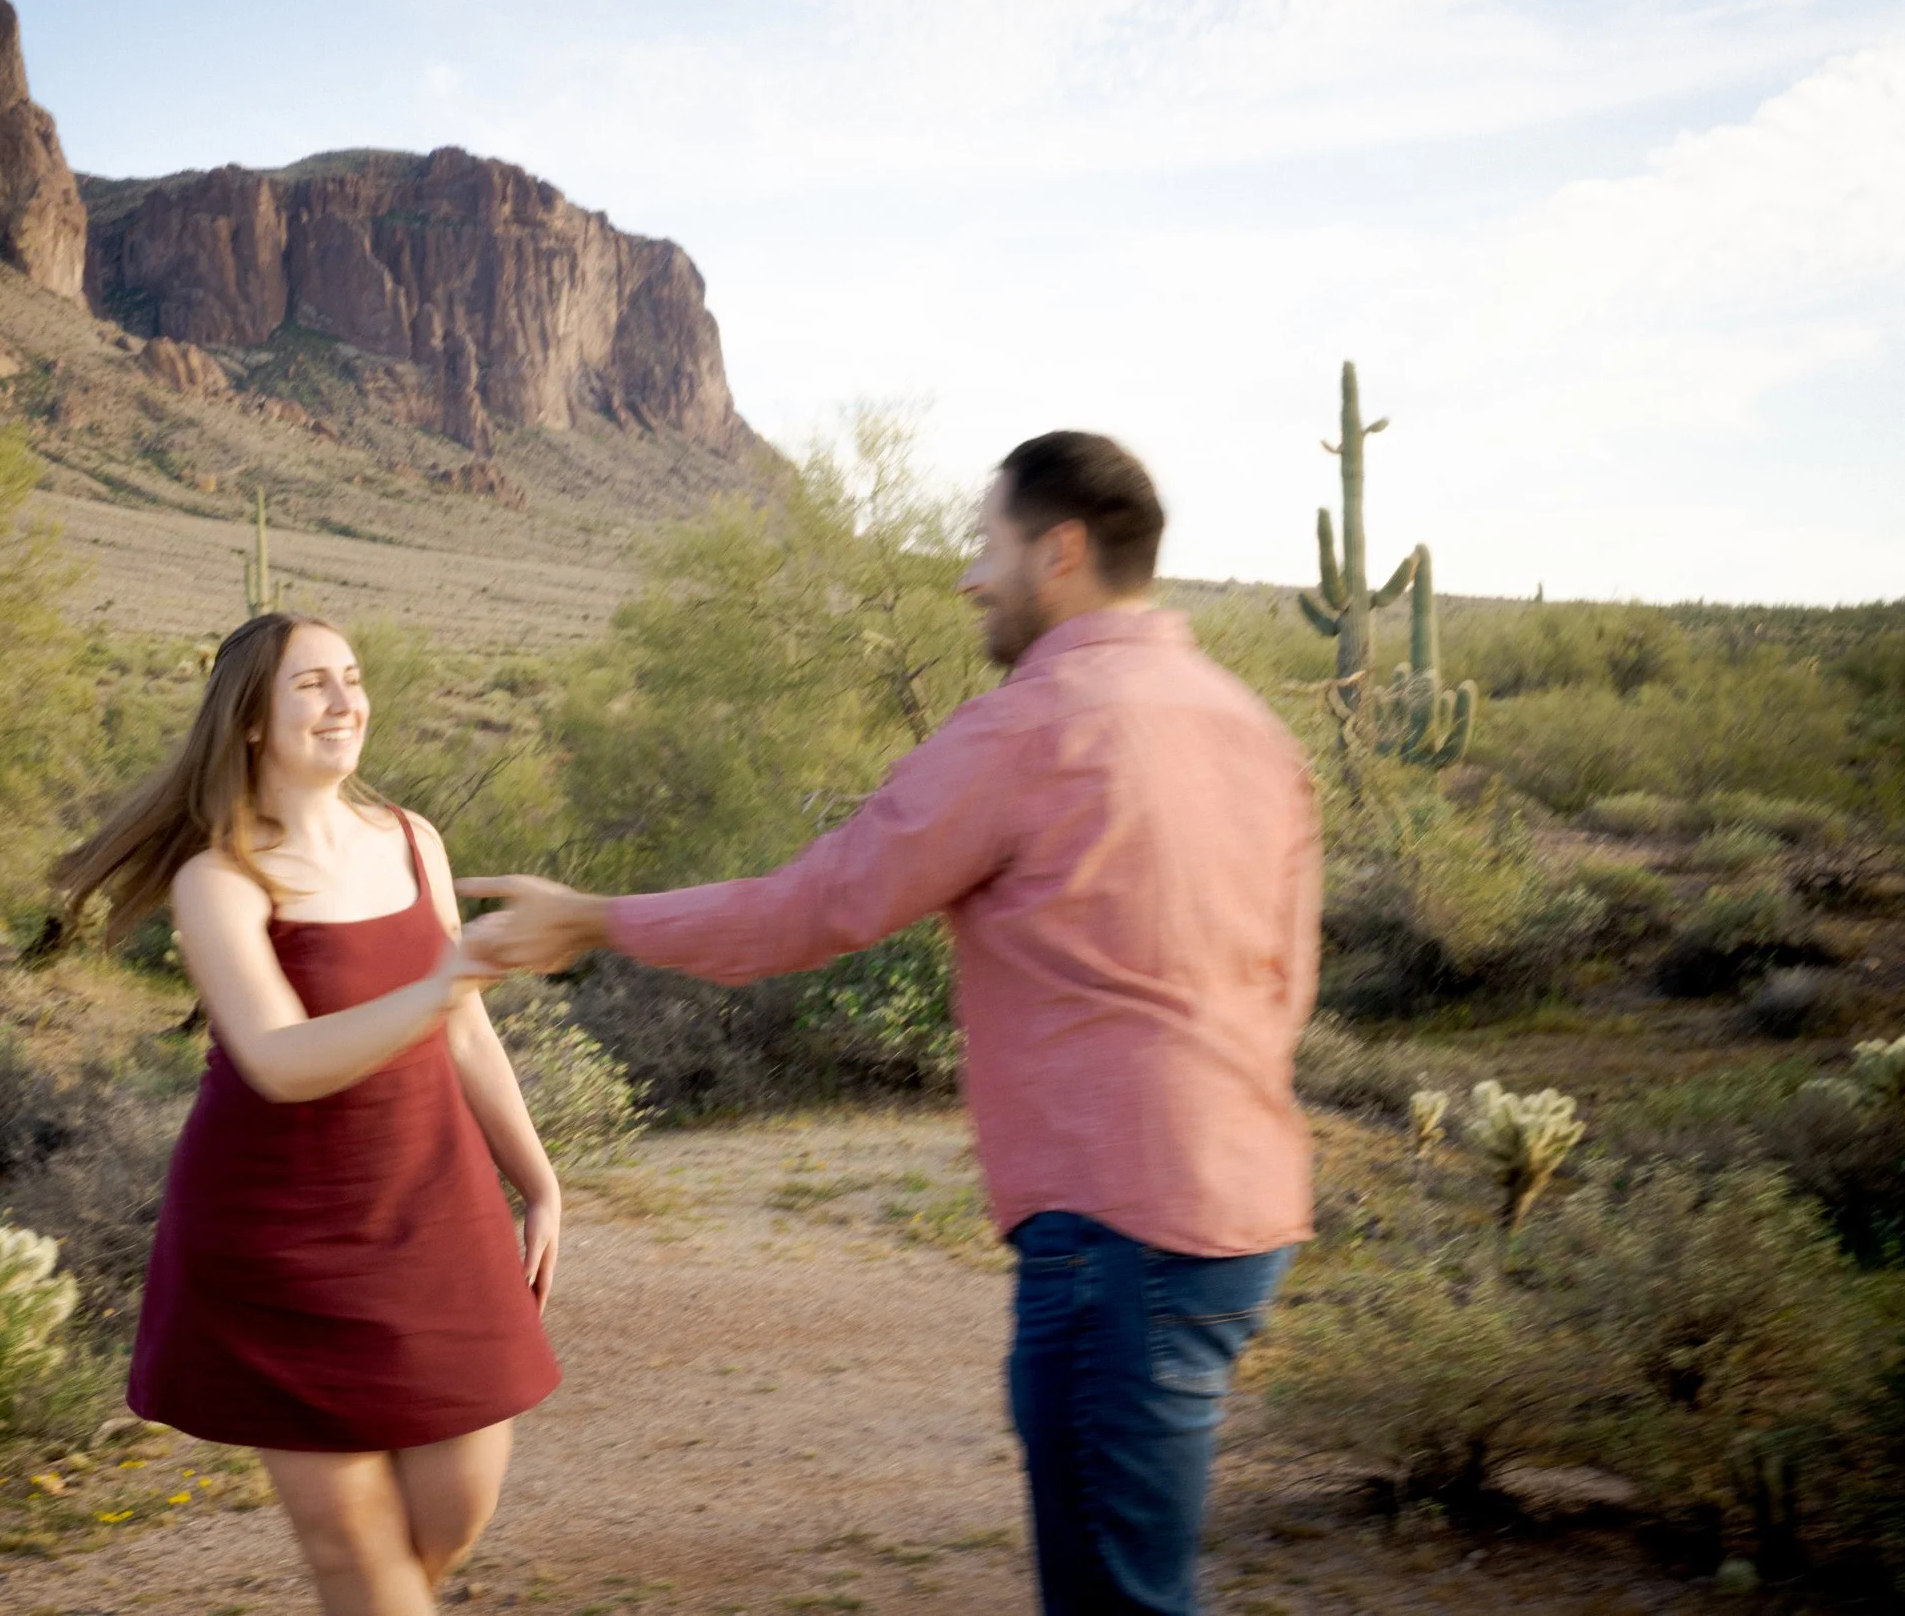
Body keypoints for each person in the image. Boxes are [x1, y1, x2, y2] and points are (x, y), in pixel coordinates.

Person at [460, 433, 1319, 1616]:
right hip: (1239, 1217)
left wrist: (596, 916)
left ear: (1058, 550)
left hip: (1114, 1235)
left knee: (1118, 1600)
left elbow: (815, 905)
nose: (969, 576)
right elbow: (1288, 982)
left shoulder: (1030, 725)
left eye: (987, 544)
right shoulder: (1252, 728)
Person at [51, 612, 560, 1616]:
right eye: (312, 685)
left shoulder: (415, 840)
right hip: (281, 1235)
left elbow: (465, 1036)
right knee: (355, 1551)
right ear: (250, 720)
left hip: (436, 1210)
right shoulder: (220, 876)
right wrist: (445, 980)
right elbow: (280, 1059)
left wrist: (538, 1178)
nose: (344, 701)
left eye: (352, 677)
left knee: (453, 1508)